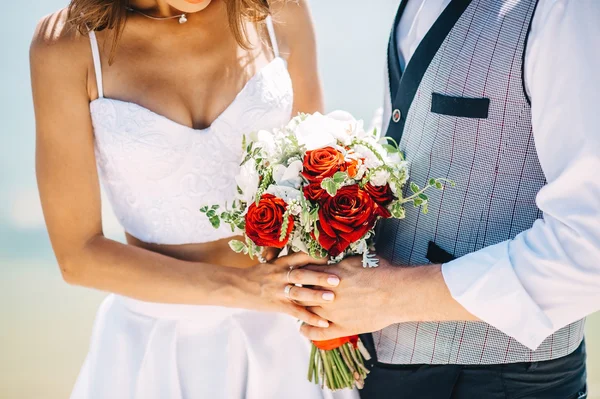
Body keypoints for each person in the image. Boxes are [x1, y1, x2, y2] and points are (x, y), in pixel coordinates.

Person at [30, 1, 356, 398]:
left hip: (286, 338)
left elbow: (314, 182)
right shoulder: (66, 45)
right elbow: (78, 257)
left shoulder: (276, 8)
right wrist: (246, 288)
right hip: (154, 347)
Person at [299, 0, 600, 397]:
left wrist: (387, 295)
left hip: (503, 382)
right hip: (382, 372)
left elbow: (589, 251)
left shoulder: (566, 9)